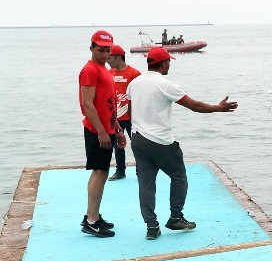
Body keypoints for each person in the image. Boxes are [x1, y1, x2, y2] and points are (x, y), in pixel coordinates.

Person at [127, 46, 238, 240]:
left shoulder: (134, 83)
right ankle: (176, 217)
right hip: (161, 140)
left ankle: (151, 226)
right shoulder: (166, 84)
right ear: (163, 64)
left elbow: (130, 107)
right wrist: (218, 108)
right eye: (168, 61)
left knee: (146, 182)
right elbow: (194, 106)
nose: (169, 64)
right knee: (178, 175)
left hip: (138, 139)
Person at [79, 30, 125, 238]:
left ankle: (93, 215)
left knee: (102, 171)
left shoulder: (103, 69)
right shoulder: (90, 70)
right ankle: (91, 221)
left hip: (107, 128)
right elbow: (87, 104)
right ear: (91, 48)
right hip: (97, 130)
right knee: (100, 171)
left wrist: (116, 127)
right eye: (100, 50)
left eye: (108, 50)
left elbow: (109, 102)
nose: (105, 54)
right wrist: (100, 131)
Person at [108, 45, 141, 181]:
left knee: (137, 145)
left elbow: (139, 96)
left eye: (110, 58)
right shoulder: (109, 74)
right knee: (118, 145)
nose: (107, 60)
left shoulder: (134, 74)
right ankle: (120, 171)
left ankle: (141, 171)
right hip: (117, 116)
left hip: (133, 116)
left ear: (118, 57)